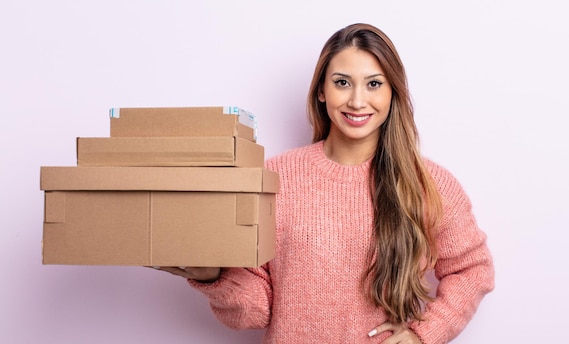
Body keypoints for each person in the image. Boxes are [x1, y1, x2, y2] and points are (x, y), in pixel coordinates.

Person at [156, 23, 495, 343]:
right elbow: (256, 311)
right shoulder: (274, 180)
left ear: (393, 92)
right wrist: (213, 276)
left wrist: (425, 334)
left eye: (374, 84)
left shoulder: (428, 184)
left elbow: (473, 269)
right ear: (321, 91)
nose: (357, 101)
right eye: (342, 82)